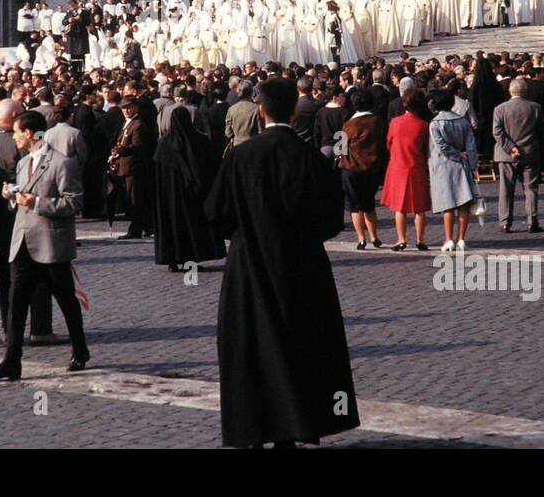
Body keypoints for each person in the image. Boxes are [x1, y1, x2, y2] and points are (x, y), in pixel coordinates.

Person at [206, 77, 360, 448]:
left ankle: (252, 428)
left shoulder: (241, 156)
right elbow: (330, 220)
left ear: (262, 109)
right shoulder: (309, 157)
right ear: (294, 110)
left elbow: (215, 212)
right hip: (301, 265)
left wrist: (246, 230)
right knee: (301, 343)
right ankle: (294, 427)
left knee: (250, 345)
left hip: (249, 264)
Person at [0, 109, 90, 381]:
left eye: (17, 132)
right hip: (22, 242)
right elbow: (22, 198)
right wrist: (11, 196)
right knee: (16, 304)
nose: (14, 137)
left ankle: (80, 349)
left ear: (29, 133)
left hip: (50, 244)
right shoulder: (22, 164)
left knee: (66, 300)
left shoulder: (62, 163)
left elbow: (73, 203)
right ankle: (11, 361)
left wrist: (36, 203)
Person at [152, 106, 225, 271]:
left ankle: (172, 260)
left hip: (170, 196)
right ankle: (191, 258)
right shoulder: (199, 140)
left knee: (173, 225)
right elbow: (208, 169)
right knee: (192, 225)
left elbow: (158, 174)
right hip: (192, 195)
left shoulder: (164, 145)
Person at [381, 85, 432, 251]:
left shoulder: (395, 122)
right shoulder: (423, 125)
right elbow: (426, 148)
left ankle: (401, 239)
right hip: (416, 166)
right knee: (419, 207)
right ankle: (420, 239)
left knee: (399, 207)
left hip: (398, 165)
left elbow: (389, 143)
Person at [428, 88, 478, 252]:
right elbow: (471, 145)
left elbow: (440, 146)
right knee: (464, 203)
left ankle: (448, 238)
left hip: (443, 165)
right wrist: (471, 163)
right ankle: (462, 238)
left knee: (448, 204)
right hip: (462, 164)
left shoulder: (435, 123)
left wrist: (456, 154)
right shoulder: (462, 121)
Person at [336, 87, 386, 249]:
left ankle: (361, 238)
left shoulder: (348, 125)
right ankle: (374, 236)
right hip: (372, 169)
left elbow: (340, 149)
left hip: (351, 169)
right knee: (369, 204)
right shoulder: (378, 122)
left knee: (355, 207)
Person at [492, 78, 544, 234]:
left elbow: (497, 131)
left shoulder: (500, 109)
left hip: (506, 155)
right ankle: (532, 220)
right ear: (525, 91)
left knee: (506, 189)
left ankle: (505, 222)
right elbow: (541, 131)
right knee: (530, 188)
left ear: (510, 91)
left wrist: (511, 148)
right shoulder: (535, 107)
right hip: (530, 152)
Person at [111, 95, 153, 239]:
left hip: (134, 166)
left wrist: (122, 150)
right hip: (126, 166)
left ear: (136, 107)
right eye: (124, 108)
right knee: (133, 198)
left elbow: (138, 146)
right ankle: (146, 226)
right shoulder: (128, 123)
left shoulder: (138, 124)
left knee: (135, 199)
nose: (126, 110)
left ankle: (136, 229)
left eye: (129, 107)